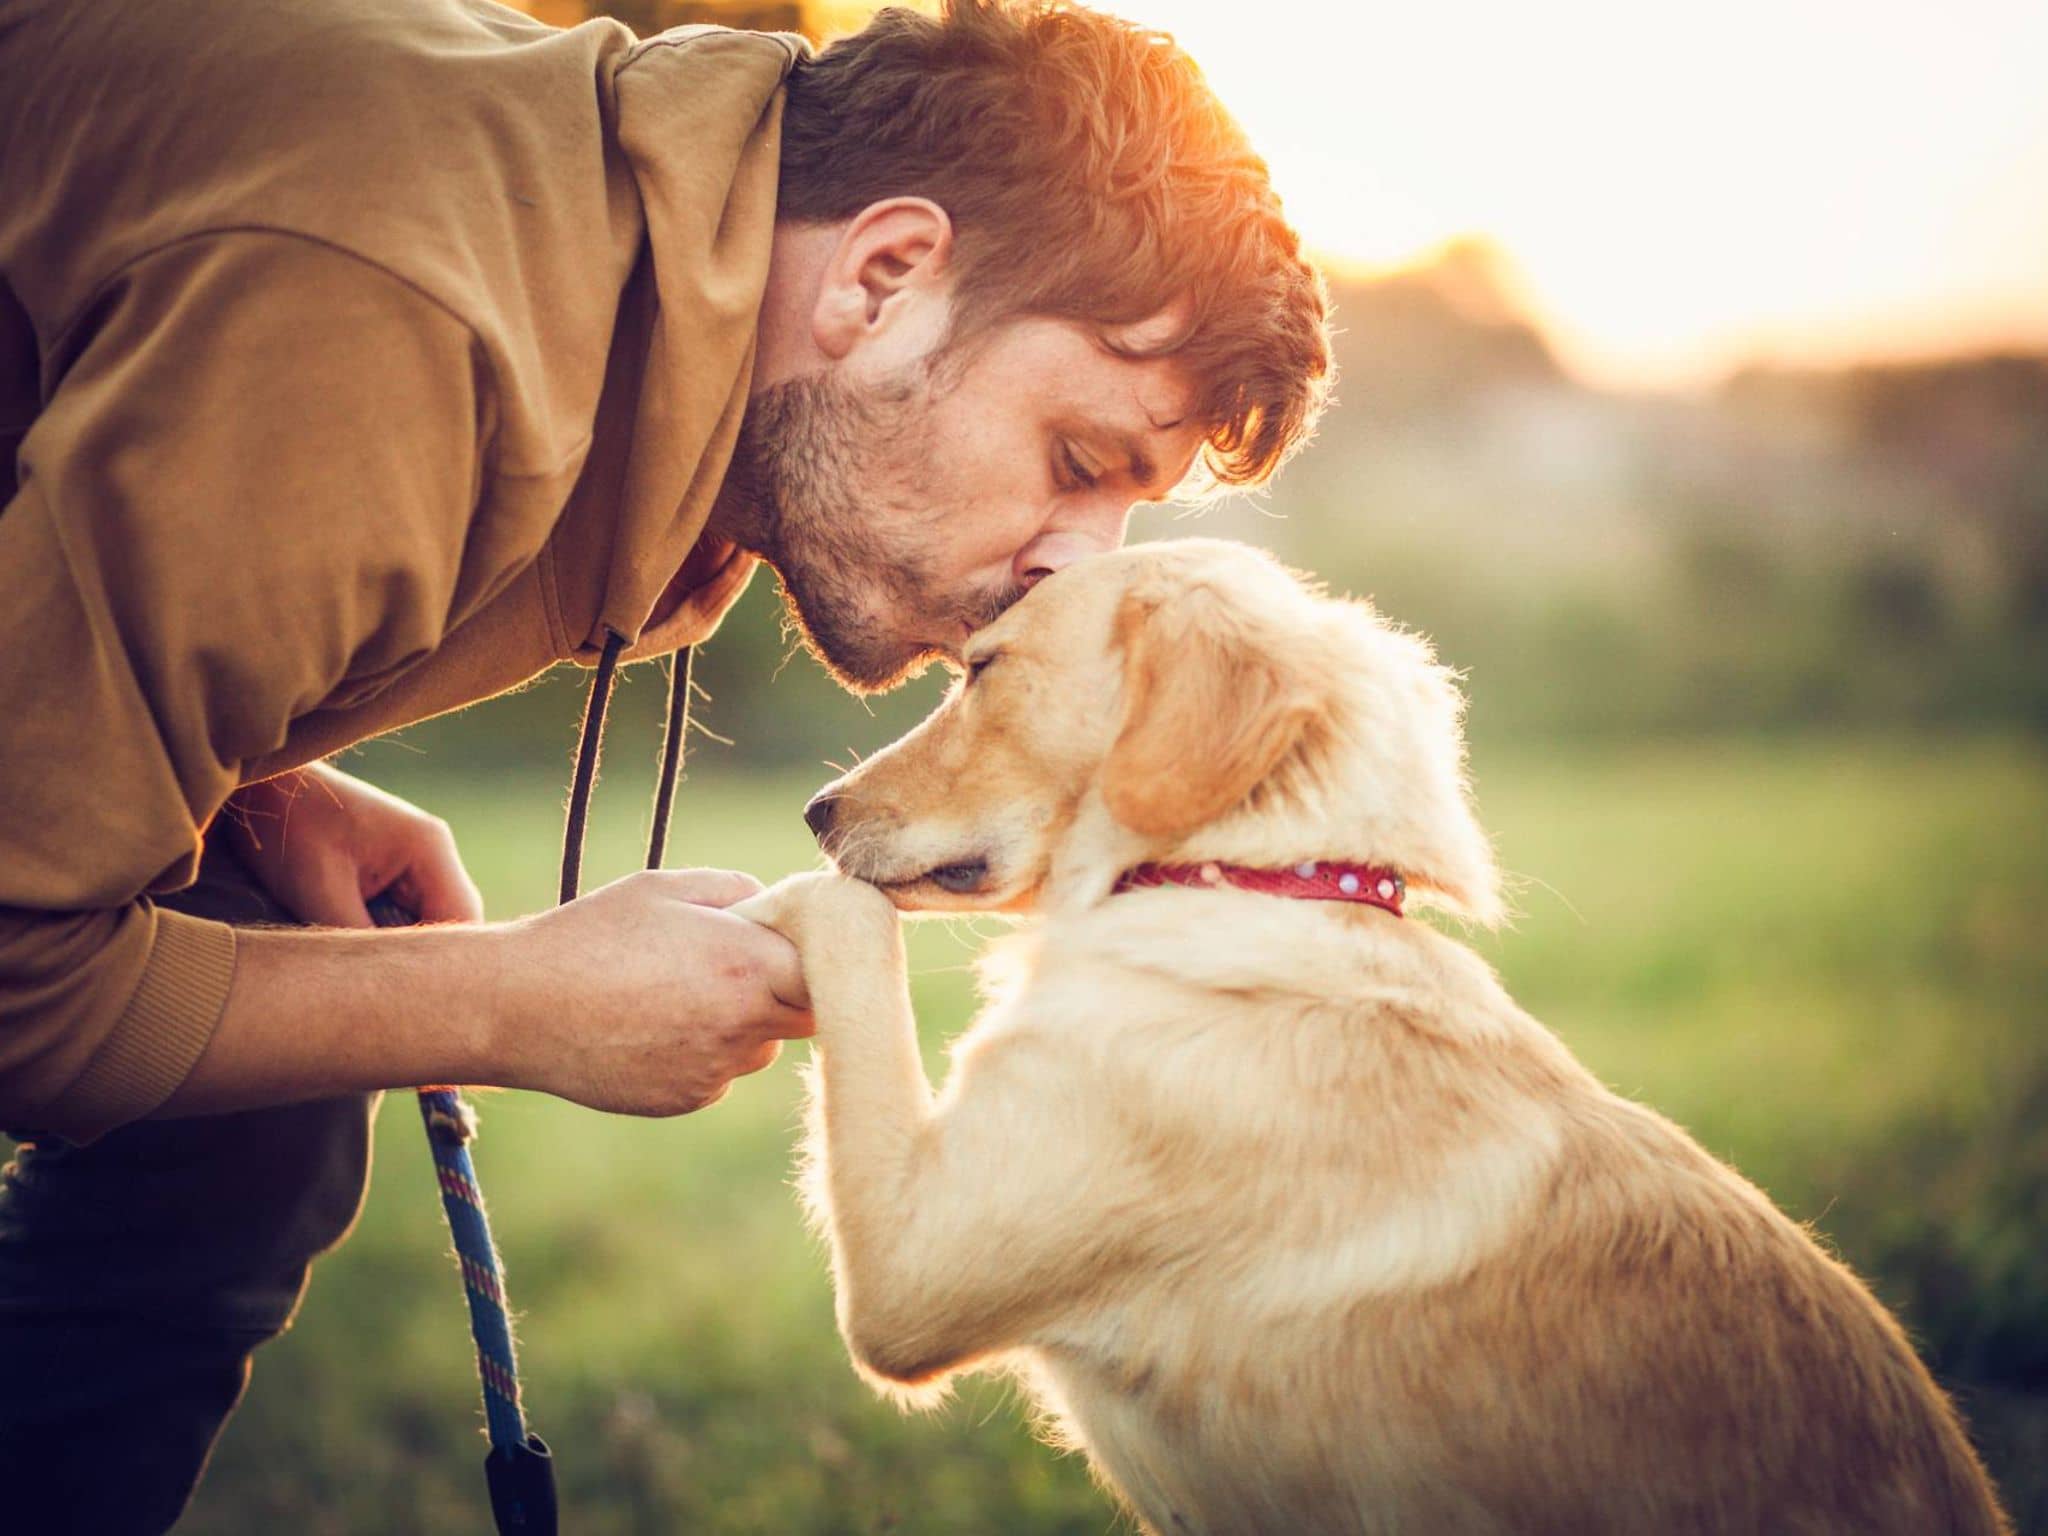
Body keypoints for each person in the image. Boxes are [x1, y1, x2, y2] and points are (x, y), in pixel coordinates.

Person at [0, 0, 1330, 1526]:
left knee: (249, 1111)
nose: (1072, 568)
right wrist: (507, 999)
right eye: (1079, 463)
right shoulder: (415, 314)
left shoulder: (651, 298)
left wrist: (256, 782)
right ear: (885, 275)